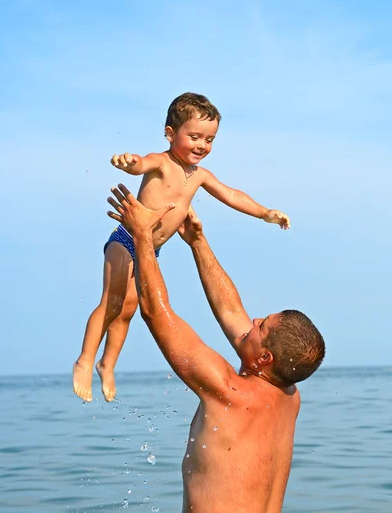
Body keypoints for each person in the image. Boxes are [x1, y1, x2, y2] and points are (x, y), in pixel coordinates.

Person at [106, 183, 325, 513]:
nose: (253, 320)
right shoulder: (288, 397)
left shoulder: (229, 391)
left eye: (261, 326)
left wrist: (141, 238)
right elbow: (230, 309)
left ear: (264, 360)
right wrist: (198, 243)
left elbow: (157, 313)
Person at [73, 92, 290, 403]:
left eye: (210, 139)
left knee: (128, 310)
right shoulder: (162, 162)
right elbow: (140, 164)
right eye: (194, 137)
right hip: (125, 239)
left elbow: (231, 194)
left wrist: (265, 213)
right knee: (112, 302)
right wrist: (128, 163)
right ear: (170, 133)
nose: (202, 145)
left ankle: (107, 364)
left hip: (150, 251)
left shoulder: (199, 175)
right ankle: (84, 360)